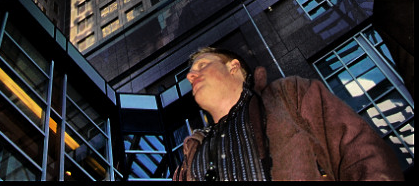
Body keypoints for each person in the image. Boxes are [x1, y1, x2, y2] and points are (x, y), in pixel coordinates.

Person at [173, 47, 404, 181]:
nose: (190, 76)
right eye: (191, 72)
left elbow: (361, 152)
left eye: (202, 65)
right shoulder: (191, 155)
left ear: (233, 67)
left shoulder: (288, 94)